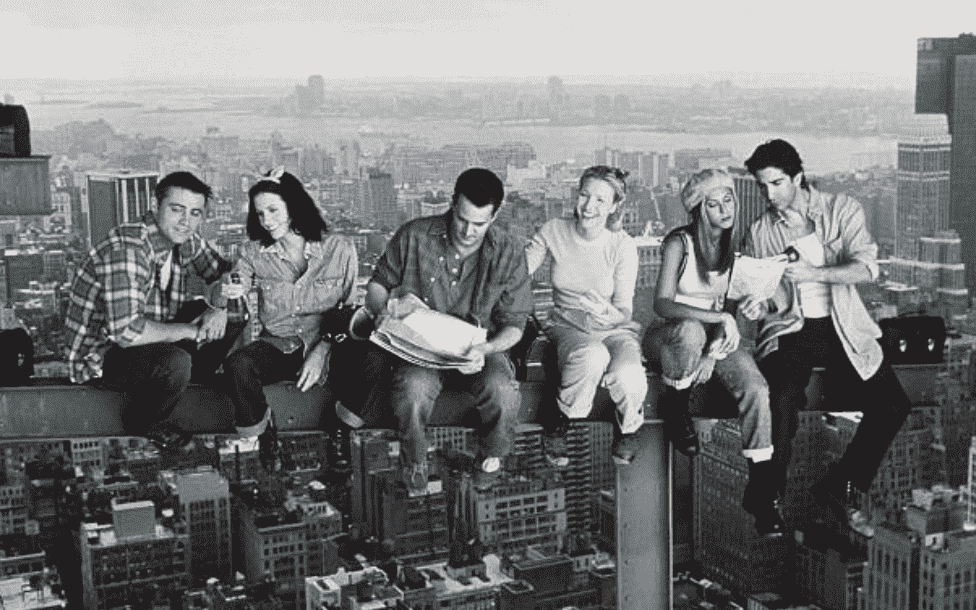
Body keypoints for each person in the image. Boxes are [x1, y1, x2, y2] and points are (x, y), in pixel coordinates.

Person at [739, 139, 913, 523]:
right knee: (780, 401)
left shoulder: (841, 210)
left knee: (893, 404)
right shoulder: (760, 231)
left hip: (841, 325)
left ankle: (841, 484)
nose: (770, 194)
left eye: (777, 183)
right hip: (790, 329)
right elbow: (765, 296)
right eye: (762, 185)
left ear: (798, 178)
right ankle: (769, 501)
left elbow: (867, 268)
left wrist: (815, 274)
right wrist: (757, 304)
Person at [365, 167, 532, 494]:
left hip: (480, 349)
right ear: (452, 204)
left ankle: (491, 457)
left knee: (503, 392)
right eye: (462, 219)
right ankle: (414, 459)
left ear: (495, 215)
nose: (469, 231)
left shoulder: (510, 251)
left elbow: (516, 324)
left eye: (480, 224)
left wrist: (485, 350)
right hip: (422, 348)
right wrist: (382, 310)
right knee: (412, 391)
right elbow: (378, 284)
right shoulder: (414, 235)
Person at [642, 168, 781, 536]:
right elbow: (663, 303)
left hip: (713, 339)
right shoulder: (679, 243)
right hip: (670, 336)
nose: (725, 210)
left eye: (729, 200)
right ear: (699, 209)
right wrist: (715, 318)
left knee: (756, 388)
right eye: (714, 204)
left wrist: (714, 351)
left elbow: (731, 312)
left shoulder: (735, 249)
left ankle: (762, 490)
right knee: (689, 332)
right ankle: (677, 408)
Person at [65, 171, 240, 450]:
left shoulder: (183, 240)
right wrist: (190, 331)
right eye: (176, 210)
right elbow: (126, 333)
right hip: (104, 356)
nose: (186, 221)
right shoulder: (130, 249)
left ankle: (189, 379)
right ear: (155, 206)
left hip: (151, 336)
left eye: (195, 213)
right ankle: (144, 421)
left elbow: (227, 271)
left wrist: (218, 306)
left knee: (234, 315)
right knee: (176, 362)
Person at [222, 168, 358, 472]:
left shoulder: (340, 249)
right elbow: (237, 281)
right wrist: (233, 289)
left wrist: (322, 349)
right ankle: (263, 431)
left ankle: (341, 430)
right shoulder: (254, 253)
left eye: (273, 210)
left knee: (372, 362)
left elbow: (349, 311)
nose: (267, 221)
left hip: (330, 345)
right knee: (239, 365)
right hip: (281, 344)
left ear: (293, 208)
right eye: (260, 214)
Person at [525, 166, 647, 467]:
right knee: (592, 356)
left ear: (615, 206)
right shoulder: (555, 229)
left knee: (629, 375)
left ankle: (628, 428)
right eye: (584, 195)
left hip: (613, 328)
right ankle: (561, 420)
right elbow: (518, 273)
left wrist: (611, 314)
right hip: (567, 325)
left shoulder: (622, 246)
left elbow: (625, 310)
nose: (589, 207)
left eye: (601, 201)